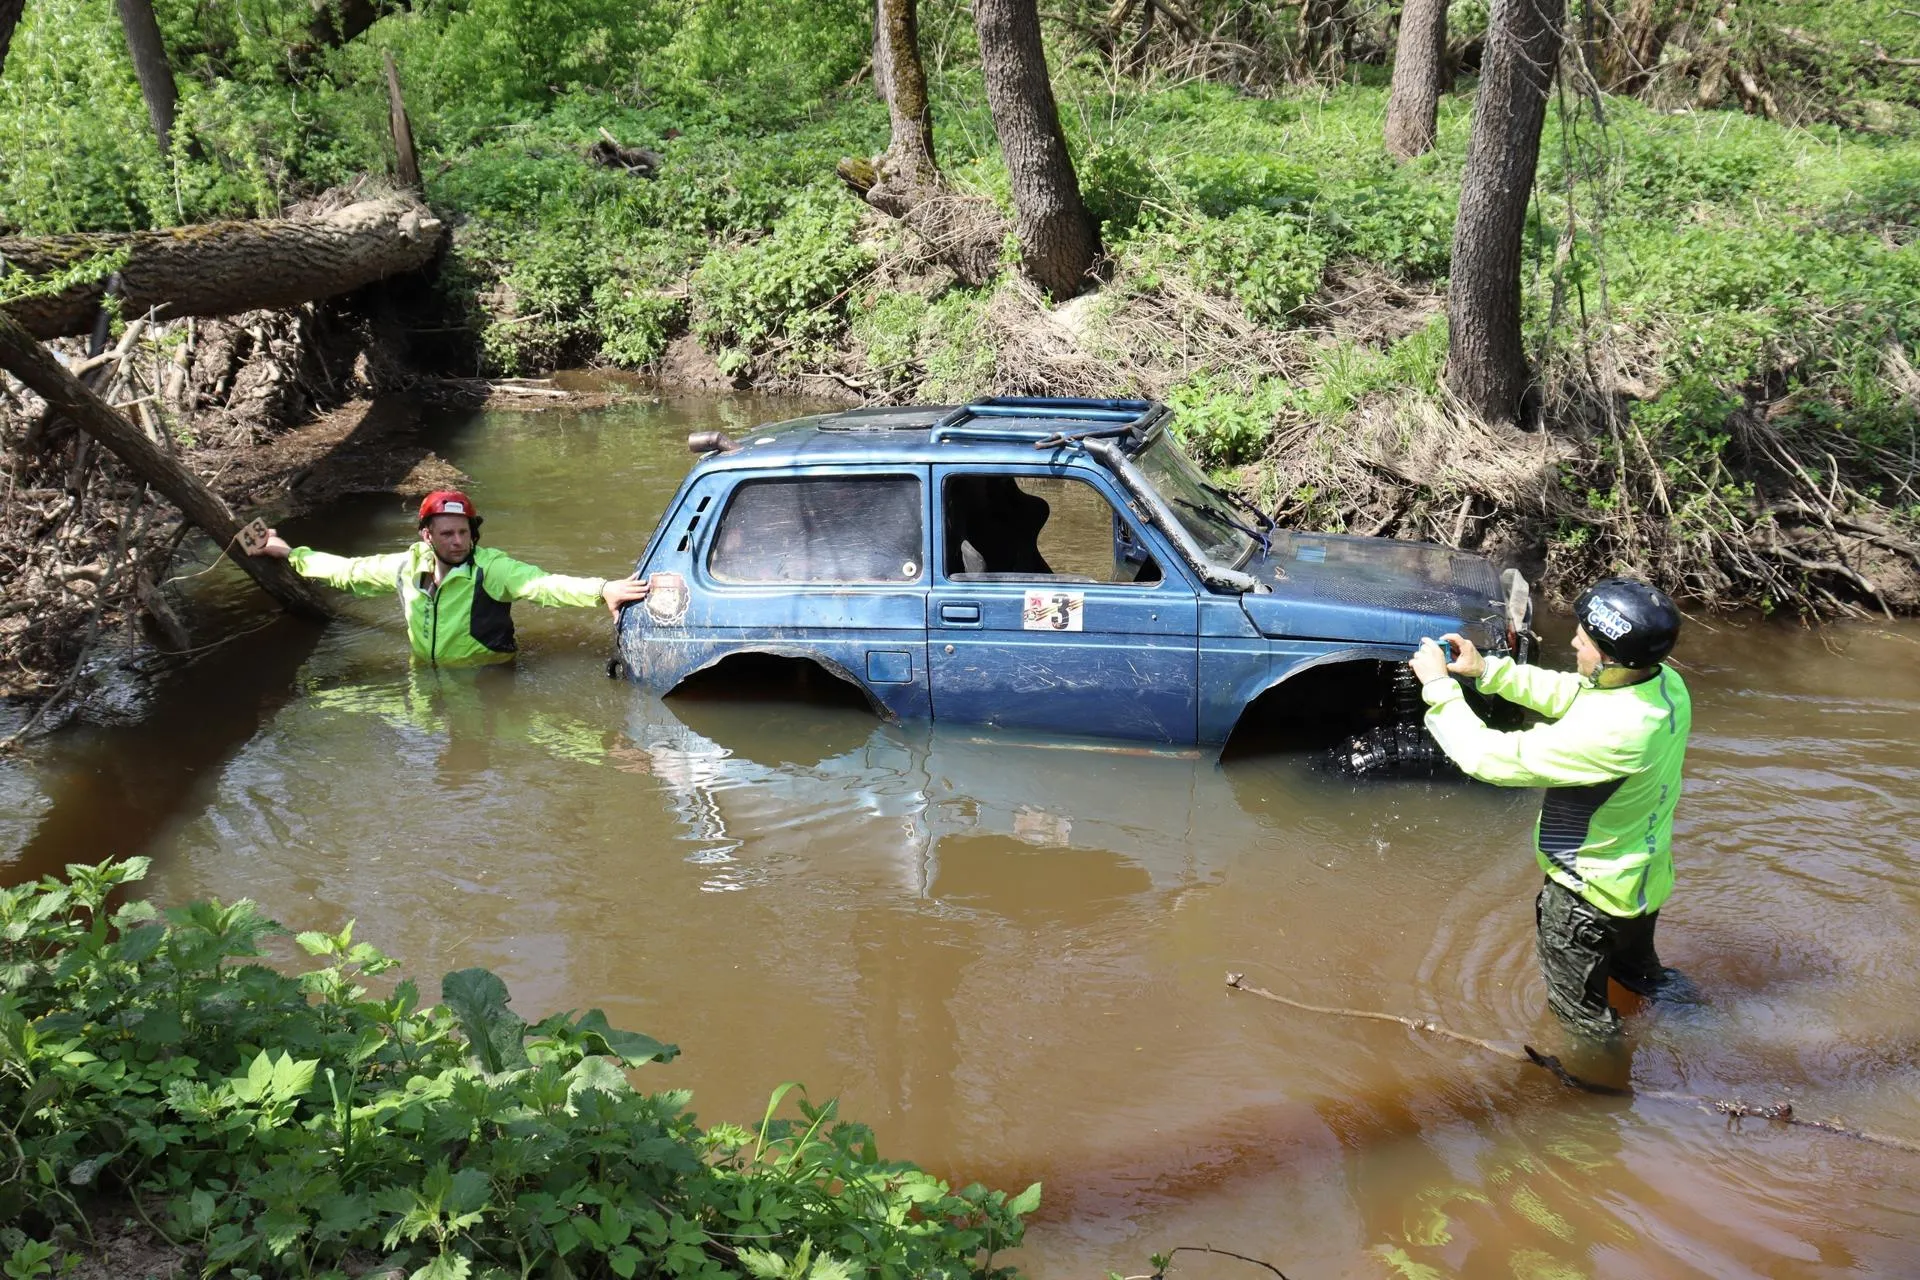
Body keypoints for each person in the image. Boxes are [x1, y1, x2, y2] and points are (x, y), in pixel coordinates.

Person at [1408, 577, 1692, 1038]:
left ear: (1612, 660)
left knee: (1582, 1022)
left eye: (1585, 640)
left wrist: (1439, 686)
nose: (1574, 642)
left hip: (1587, 899)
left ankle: (1600, 1080)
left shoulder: (1614, 736)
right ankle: (1699, 1026)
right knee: (1641, 976)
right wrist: (1487, 671)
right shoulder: (1664, 685)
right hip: (1641, 882)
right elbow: (1573, 693)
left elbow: (1486, 757)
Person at [252, 490, 650, 666]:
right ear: (427, 536)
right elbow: (349, 571)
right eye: (447, 533)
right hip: (425, 676)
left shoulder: (491, 569)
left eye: (464, 532)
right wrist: (290, 554)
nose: (458, 541)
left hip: (486, 677)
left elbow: (543, 585)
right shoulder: (407, 566)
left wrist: (602, 589)